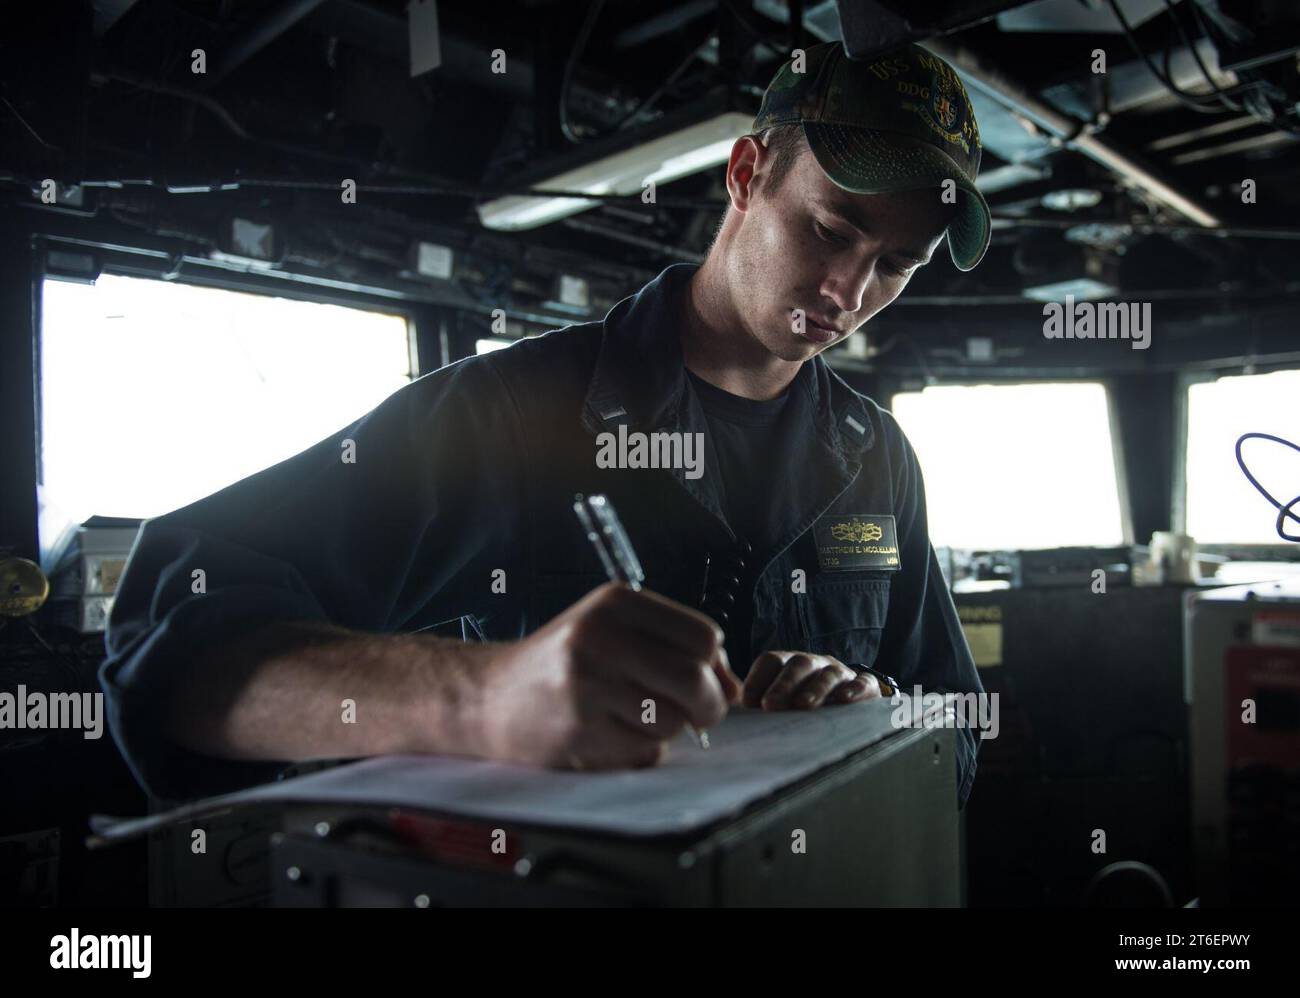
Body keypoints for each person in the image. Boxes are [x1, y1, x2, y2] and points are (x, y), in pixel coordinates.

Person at [102, 40, 990, 807]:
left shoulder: (878, 457)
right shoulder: (509, 415)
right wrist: (480, 699)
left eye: (896, 265)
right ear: (747, 174)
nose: (849, 292)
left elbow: (958, 730)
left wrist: (878, 714)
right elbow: (170, 635)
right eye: (832, 230)